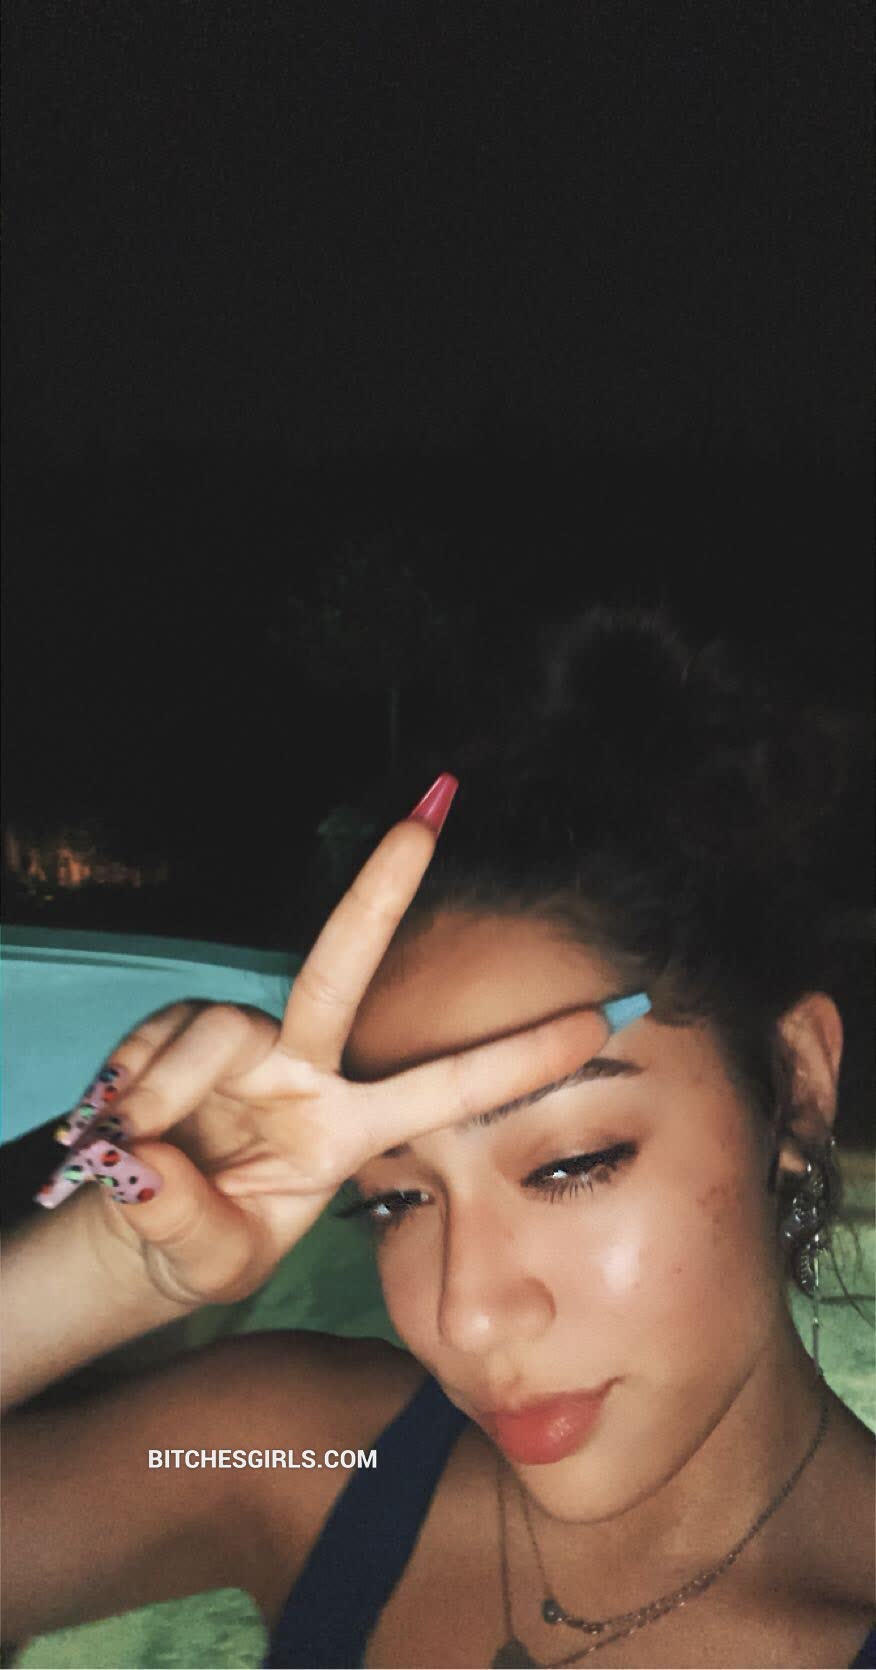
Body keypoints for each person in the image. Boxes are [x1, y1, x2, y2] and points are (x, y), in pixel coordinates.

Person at [2, 607, 873, 1670]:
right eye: (395, 1199)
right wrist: (114, 1264)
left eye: (569, 1164)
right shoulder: (299, 1460)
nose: (464, 1314)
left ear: (797, 1083)